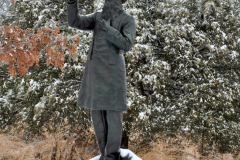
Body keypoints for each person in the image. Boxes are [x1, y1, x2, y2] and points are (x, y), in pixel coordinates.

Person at [67, 0, 136, 159]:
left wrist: (109, 30)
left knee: (113, 117)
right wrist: (71, 3)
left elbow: (127, 44)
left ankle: (112, 155)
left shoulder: (127, 20)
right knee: (97, 116)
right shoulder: (97, 17)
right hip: (95, 74)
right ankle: (103, 153)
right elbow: (75, 21)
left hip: (113, 74)